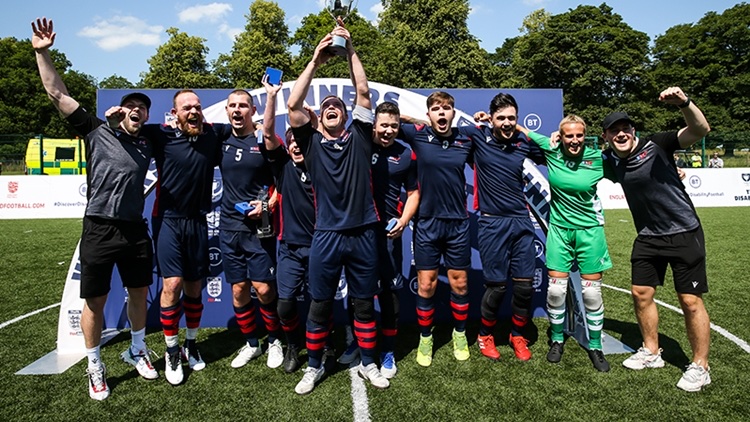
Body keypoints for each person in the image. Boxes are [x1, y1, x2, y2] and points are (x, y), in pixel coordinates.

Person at [32, 17, 158, 400]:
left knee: (139, 292)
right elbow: (57, 94)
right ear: (121, 111)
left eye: (143, 108)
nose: (137, 110)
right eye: (131, 105)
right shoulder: (94, 128)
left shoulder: (150, 141)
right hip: (100, 227)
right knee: (97, 301)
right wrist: (43, 54)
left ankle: (137, 349)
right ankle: (94, 365)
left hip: (135, 228)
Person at [286, 23, 389, 394]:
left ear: (345, 116)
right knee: (319, 305)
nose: (331, 109)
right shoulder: (309, 143)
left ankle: (368, 362)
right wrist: (316, 58)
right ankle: (313, 366)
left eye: (336, 107)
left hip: (363, 231)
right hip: (326, 234)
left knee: (363, 305)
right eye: (326, 106)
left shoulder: (361, 137)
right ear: (319, 118)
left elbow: (363, 90)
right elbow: (293, 104)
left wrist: (350, 51)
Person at [601, 86, 712, 392]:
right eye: (614, 131)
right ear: (607, 137)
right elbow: (577, 163)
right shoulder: (610, 160)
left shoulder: (658, 143)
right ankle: (652, 351)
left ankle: (701, 366)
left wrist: (685, 103)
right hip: (648, 237)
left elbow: (700, 130)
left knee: (690, 301)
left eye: (626, 129)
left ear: (633, 130)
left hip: (683, 232)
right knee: (640, 293)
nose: (621, 134)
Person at [137, 90, 231, 385]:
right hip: (167, 220)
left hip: (198, 221)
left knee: (194, 286)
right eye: (186, 108)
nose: (193, 111)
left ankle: (191, 344)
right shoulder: (159, 135)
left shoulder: (213, 134)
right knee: (172, 284)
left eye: (197, 107)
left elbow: (247, 126)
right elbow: (128, 129)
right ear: (174, 113)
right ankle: (171, 350)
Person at [517, 115, 613, 372]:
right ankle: (557, 339)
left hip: (590, 232)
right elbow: (521, 129)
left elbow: (631, 166)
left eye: (579, 135)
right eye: (569, 135)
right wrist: (484, 118)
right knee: (556, 291)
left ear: (585, 136)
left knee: (591, 294)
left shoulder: (597, 159)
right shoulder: (551, 149)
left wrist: (674, 169)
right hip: (559, 231)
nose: (574, 140)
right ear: (560, 136)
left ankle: (595, 345)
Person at [396, 92, 482, 367]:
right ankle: (425, 337)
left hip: (457, 223)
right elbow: (387, 120)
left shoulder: (466, 137)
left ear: (454, 113)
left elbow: (497, 131)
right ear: (428, 113)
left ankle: (459, 334)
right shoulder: (417, 135)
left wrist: (485, 119)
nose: (442, 113)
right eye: (436, 109)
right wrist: (422, 120)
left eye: (447, 109)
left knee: (459, 283)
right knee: (426, 284)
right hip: (426, 223)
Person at [339, 101, 420, 378]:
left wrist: (404, 220)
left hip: (388, 234)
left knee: (388, 293)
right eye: (383, 125)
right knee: (359, 294)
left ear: (400, 127)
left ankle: (387, 350)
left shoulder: (407, 154)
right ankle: (359, 345)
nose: (388, 131)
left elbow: (413, 193)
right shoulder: (358, 144)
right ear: (374, 124)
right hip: (357, 232)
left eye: (394, 126)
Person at [470, 94, 545, 362]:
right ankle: (485, 335)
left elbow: (554, 157)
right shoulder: (477, 137)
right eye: (500, 118)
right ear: (491, 118)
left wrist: (526, 131)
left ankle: (517, 335)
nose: (506, 123)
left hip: (521, 221)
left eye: (511, 118)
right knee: (497, 287)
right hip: (492, 222)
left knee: (525, 287)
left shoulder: (523, 142)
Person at [219, 84, 283, 371]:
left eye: (243, 105)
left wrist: (267, 206)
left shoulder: (265, 141)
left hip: (260, 229)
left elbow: (283, 185)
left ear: (252, 110)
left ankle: (275, 340)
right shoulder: (219, 139)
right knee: (238, 290)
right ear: (226, 111)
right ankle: (252, 344)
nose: (237, 110)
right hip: (229, 228)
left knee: (264, 290)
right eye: (232, 106)